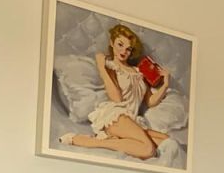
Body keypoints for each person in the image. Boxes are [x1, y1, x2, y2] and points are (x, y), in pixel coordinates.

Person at [59, 24, 171, 160]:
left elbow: (150, 101)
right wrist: (102, 68)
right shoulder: (111, 66)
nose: (124, 51)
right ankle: (90, 141)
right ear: (112, 43)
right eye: (120, 44)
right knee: (148, 149)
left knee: (167, 141)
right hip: (116, 116)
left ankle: (111, 139)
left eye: (128, 49)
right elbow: (116, 99)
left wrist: (165, 84)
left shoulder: (138, 72)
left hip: (132, 120)